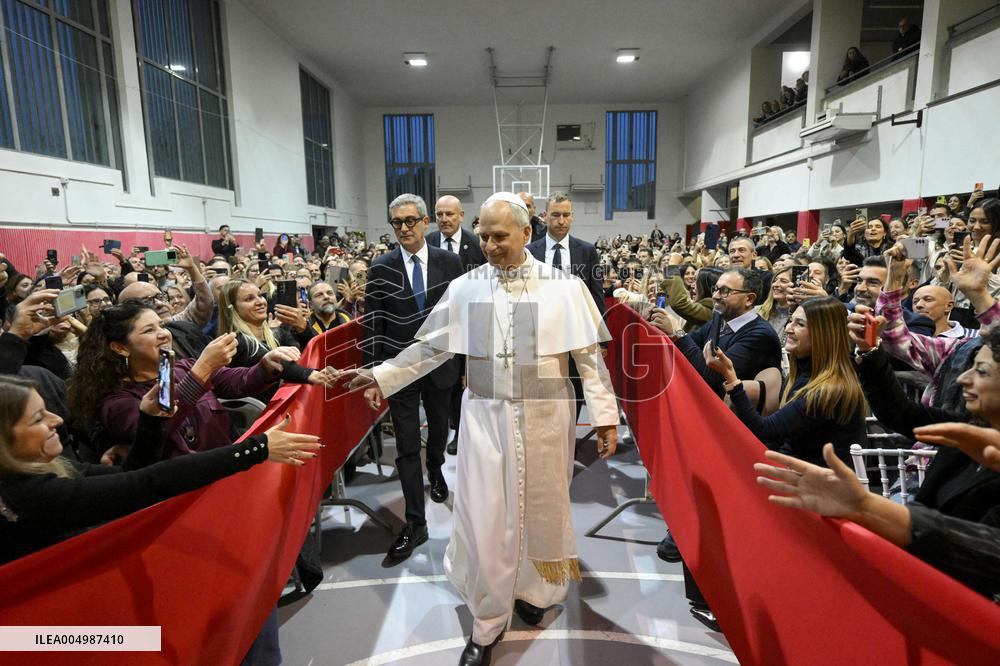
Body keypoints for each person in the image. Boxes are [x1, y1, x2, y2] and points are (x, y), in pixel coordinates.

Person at [337, 192, 618, 666]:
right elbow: (430, 350)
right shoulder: (467, 287)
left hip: (548, 416)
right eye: (483, 236)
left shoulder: (565, 286)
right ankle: (488, 621)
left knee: (543, 507)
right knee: (487, 518)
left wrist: (605, 415)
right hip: (486, 417)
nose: (487, 245)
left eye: (499, 236)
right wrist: (383, 375)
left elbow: (589, 359)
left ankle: (539, 592)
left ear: (527, 233)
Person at [0, 374, 320, 565]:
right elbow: (148, 484)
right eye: (39, 419)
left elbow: (131, 475)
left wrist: (150, 421)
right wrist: (255, 449)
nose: (57, 421)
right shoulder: (29, 495)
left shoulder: (49, 471)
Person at [361, 193, 464, 563]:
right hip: (397, 368)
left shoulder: (451, 263)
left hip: (442, 367)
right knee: (406, 444)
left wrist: (466, 366)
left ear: (425, 222)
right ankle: (415, 522)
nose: (403, 228)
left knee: (439, 431)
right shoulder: (380, 267)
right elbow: (373, 323)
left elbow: (462, 318)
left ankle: (435, 469)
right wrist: (372, 374)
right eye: (396, 223)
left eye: (409, 221)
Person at [707, 296, 867, 465]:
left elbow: (765, 430)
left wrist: (731, 377)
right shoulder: (806, 374)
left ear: (823, 334)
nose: (789, 328)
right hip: (797, 472)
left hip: (819, 485)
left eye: (800, 324)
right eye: (791, 321)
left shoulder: (828, 389)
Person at [428, 195, 488, 455]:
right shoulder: (427, 243)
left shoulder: (477, 245)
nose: (445, 219)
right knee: (442, 383)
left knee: (464, 381)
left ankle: (462, 429)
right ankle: (446, 430)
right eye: (440, 214)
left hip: (470, 324)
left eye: (450, 214)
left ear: (461, 215)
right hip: (437, 326)